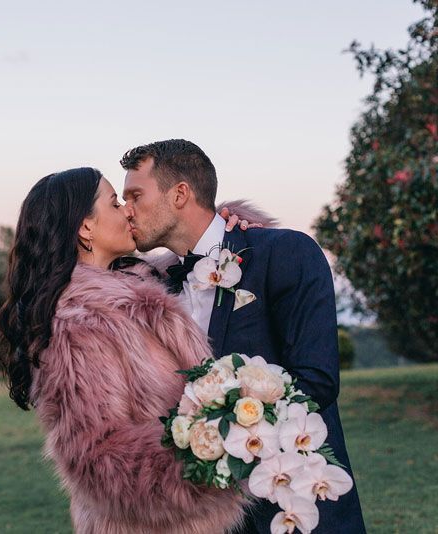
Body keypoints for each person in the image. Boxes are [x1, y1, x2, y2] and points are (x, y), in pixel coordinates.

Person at [120, 139, 366, 534]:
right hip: (208, 518)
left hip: (298, 508)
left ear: (180, 193)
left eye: (135, 194)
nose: (127, 209)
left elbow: (316, 381)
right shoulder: (155, 291)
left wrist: (208, 427)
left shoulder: (285, 253)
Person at [0, 167, 262, 533]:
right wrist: (211, 457)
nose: (128, 211)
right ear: (85, 227)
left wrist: (226, 225)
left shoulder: (138, 282)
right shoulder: (80, 323)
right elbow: (96, 455)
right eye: (114, 203)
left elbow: (195, 249)